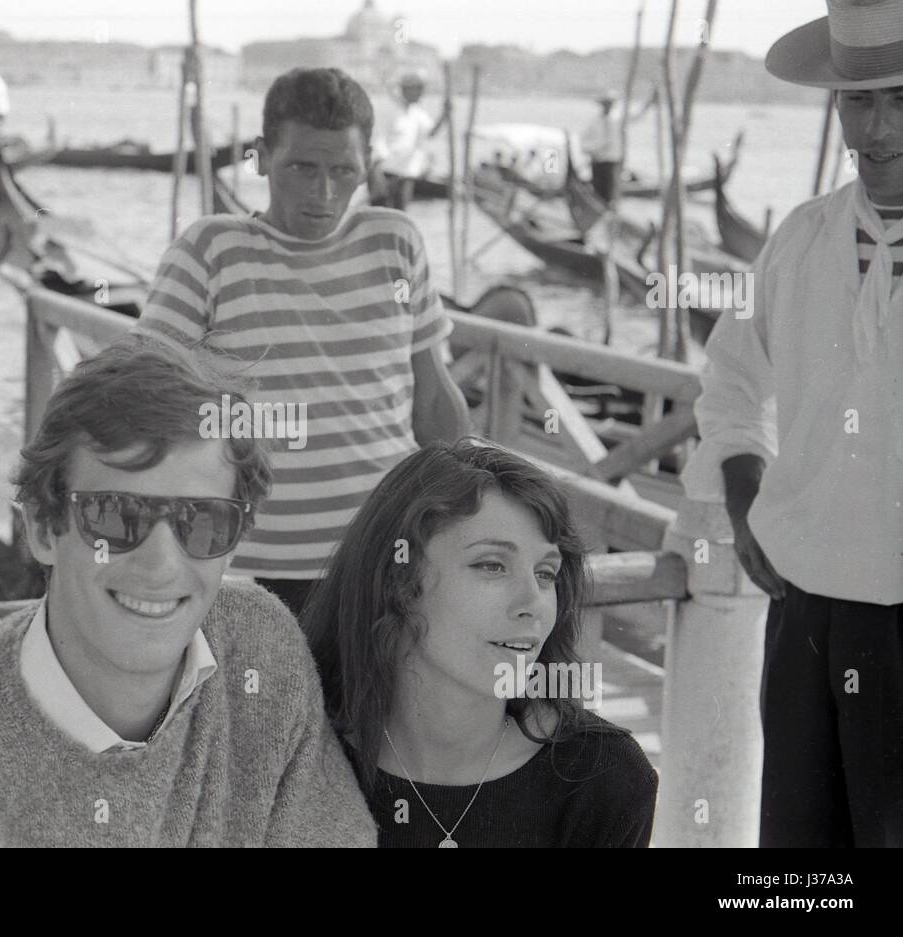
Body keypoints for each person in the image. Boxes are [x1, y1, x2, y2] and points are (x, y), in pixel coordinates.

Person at [0, 337, 376, 847]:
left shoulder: (261, 652)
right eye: (115, 515)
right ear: (42, 527)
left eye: (202, 521)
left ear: (235, 539)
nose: (161, 564)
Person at [681, 0, 903, 849]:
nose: (875, 129)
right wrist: (743, 494)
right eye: (857, 100)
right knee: (799, 861)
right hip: (807, 607)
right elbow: (733, 375)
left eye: (899, 99)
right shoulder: (800, 239)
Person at [135, 67, 472, 617]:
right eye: (301, 167)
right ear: (263, 157)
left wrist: (466, 524)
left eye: (344, 170)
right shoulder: (209, 250)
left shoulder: (397, 241)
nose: (324, 193)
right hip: (244, 569)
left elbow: (433, 400)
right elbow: (140, 401)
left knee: (373, 705)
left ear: (367, 166)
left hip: (387, 555)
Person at [302, 439, 658, 847]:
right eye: (492, 565)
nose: (533, 604)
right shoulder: (297, 757)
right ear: (396, 582)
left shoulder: (605, 779)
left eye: (545, 573)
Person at [369, 71, 449, 211]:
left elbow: (431, 133)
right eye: (417, 89)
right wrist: (377, 176)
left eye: (421, 89)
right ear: (406, 90)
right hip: (386, 173)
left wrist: (445, 114)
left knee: (401, 217)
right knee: (381, 217)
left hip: (405, 174)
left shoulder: (417, 113)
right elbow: (377, 142)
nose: (420, 94)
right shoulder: (389, 110)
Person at [579, 88, 655, 202]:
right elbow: (584, 142)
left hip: (612, 161)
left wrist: (649, 103)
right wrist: (593, 149)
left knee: (610, 191)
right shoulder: (595, 121)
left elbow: (637, 115)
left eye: (609, 103)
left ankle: (610, 211)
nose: (607, 106)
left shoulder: (618, 118)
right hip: (597, 161)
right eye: (606, 103)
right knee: (598, 192)